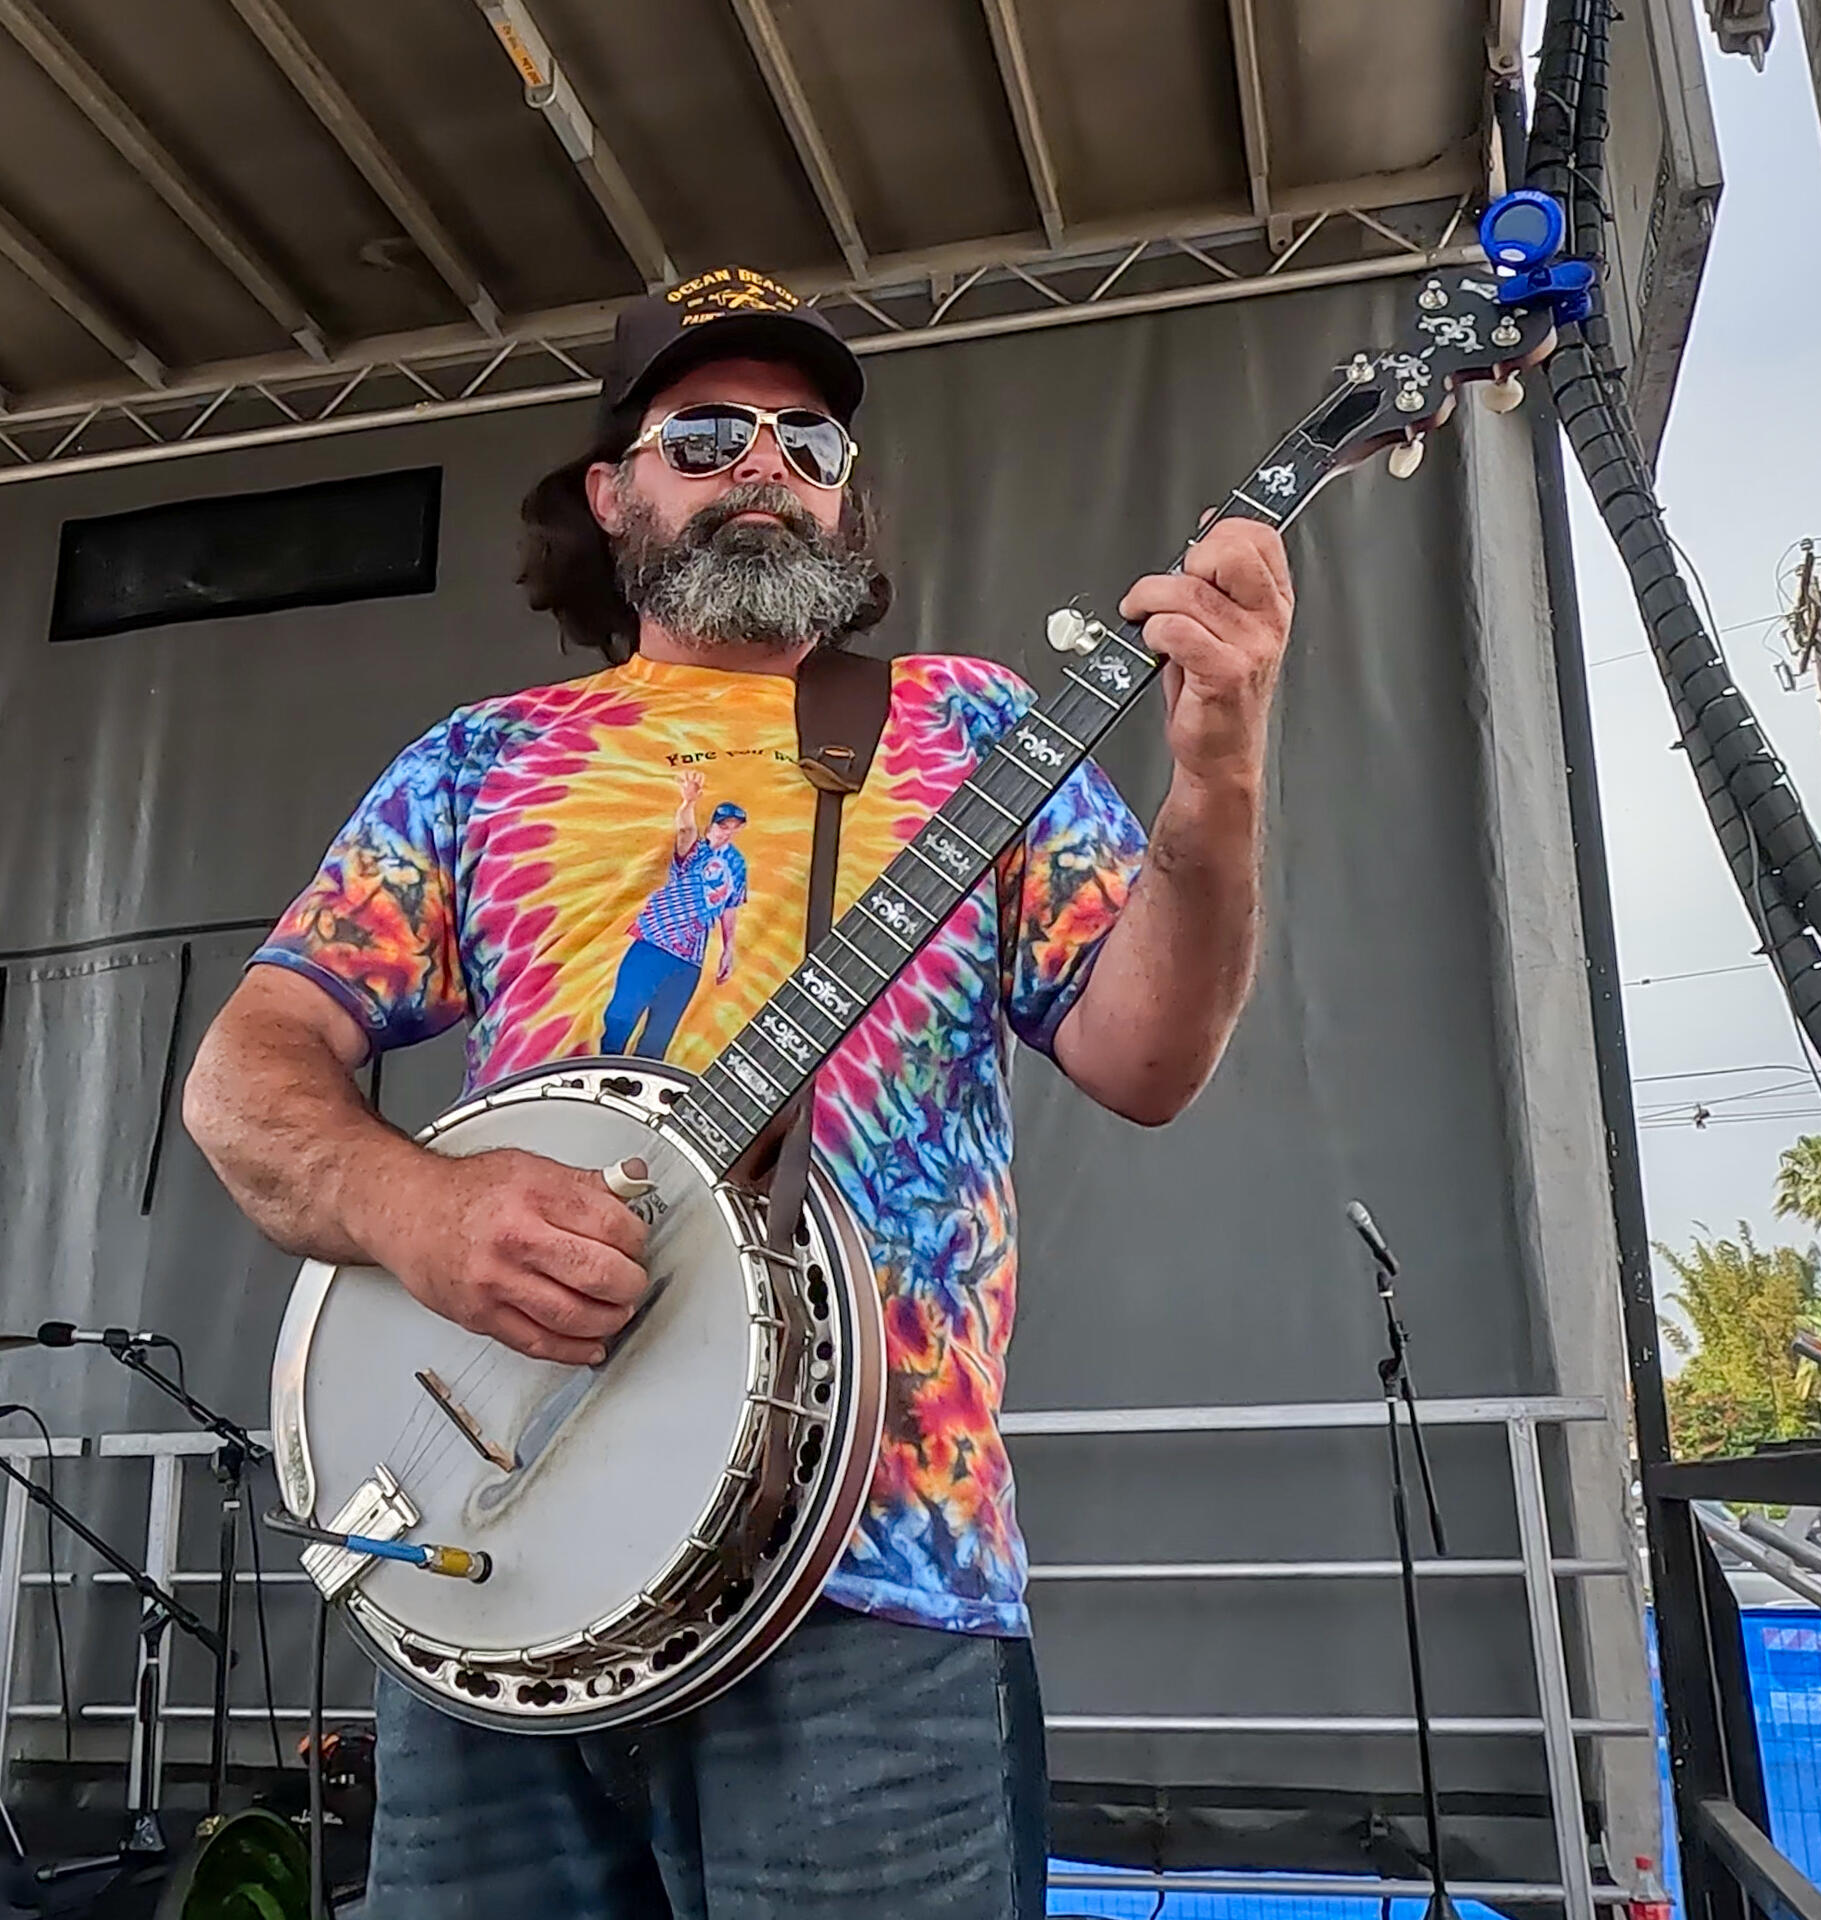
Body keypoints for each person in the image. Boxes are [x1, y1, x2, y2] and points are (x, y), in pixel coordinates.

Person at [182, 261, 1294, 1919]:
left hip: (872, 1591)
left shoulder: (966, 726)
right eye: (706, 435)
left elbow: (1146, 1058)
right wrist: (415, 1207)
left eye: (808, 444)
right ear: (613, 489)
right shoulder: (478, 765)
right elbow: (245, 1079)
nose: (766, 466)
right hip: (500, 1586)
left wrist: (1215, 767)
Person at [600, 774, 748, 1056]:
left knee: (659, 1036)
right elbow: (685, 831)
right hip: (654, 943)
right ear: (712, 825)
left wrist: (729, 948)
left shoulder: (737, 863)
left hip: (689, 960)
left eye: (734, 827)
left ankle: (637, 1088)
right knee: (621, 1017)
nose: (726, 832)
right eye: (722, 825)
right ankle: (603, 1077)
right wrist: (688, 802)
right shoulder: (695, 850)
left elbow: (730, 905)